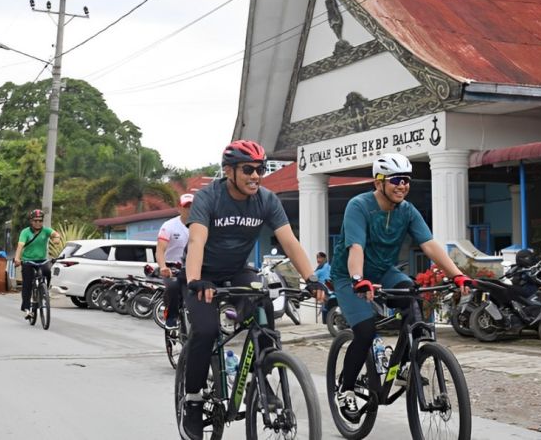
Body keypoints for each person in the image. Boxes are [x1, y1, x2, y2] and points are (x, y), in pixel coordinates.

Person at [178, 140, 326, 440]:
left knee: (264, 312)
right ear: (229, 171)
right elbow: (196, 242)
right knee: (205, 332)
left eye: (260, 169)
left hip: (236, 270)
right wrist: (195, 280)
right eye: (249, 169)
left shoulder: (266, 200)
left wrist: (311, 278)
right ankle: (193, 400)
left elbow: (289, 241)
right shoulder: (208, 198)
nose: (256, 175)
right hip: (202, 274)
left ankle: (261, 381)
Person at [331, 153, 472, 422]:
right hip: (349, 275)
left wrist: (458, 276)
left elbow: (429, 245)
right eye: (396, 179)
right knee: (365, 330)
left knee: (413, 302)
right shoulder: (358, 206)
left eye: (406, 180)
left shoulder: (407, 210)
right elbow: (356, 247)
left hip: (385, 271)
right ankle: (345, 388)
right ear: (378, 182)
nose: (402, 185)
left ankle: (406, 365)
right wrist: (359, 279)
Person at [155, 193, 193, 330]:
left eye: (192, 207)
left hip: (194, 267)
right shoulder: (169, 226)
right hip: (173, 267)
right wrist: (163, 266)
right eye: (186, 207)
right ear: (179, 208)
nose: (189, 210)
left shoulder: (201, 225)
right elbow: (160, 250)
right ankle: (171, 317)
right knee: (172, 288)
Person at [13, 209, 60, 319]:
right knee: (27, 283)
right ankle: (27, 308)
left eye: (40, 220)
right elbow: (20, 245)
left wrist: (56, 238)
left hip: (42, 260)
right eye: (35, 220)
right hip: (28, 261)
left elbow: (55, 234)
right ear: (31, 221)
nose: (38, 223)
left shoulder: (46, 231)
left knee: (47, 271)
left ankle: (44, 291)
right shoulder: (25, 232)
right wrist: (17, 258)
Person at [314, 251, 331, 323]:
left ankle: (325, 322)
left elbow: (313, 277)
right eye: (317, 258)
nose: (318, 260)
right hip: (329, 289)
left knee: (325, 307)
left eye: (319, 258)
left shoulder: (320, 269)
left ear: (324, 258)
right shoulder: (329, 266)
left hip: (323, 289)